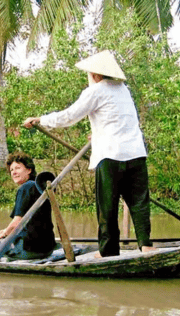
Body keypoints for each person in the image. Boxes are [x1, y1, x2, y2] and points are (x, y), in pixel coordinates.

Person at [23, 50, 156, 257]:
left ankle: (108, 251)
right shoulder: (123, 90)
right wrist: (97, 134)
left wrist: (40, 119)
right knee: (139, 202)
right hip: (136, 153)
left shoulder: (96, 91)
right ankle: (146, 245)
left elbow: (68, 117)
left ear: (95, 74)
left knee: (107, 205)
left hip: (111, 156)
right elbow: (120, 120)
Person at [0, 152, 56, 259]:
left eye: (17, 168)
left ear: (29, 170)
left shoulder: (26, 187)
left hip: (28, 249)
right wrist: (5, 231)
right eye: (11, 170)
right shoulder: (40, 189)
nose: (14, 172)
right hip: (47, 249)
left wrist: (3, 234)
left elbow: (17, 222)